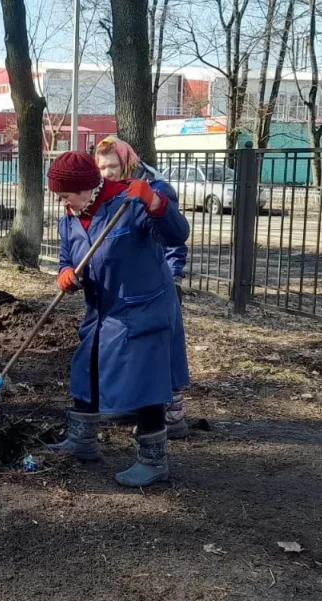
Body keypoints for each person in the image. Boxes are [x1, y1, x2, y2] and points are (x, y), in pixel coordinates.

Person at [47, 151, 190, 487]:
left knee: (145, 383)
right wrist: (66, 273)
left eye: (65, 195)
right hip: (102, 310)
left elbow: (176, 234)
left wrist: (157, 204)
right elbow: (67, 256)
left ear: (85, 188)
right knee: (87, 365)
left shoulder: (128, 206)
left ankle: (153, 462)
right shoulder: (70, 218)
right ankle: (82, 440)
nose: (62, 202)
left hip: (142, 308)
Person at [94, 136, 190, 439]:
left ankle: (173, 414)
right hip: (129, 284)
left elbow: (172, 235)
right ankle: (137, 405)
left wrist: (173, 277)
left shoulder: (156, 190)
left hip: (159, 281)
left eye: (112, 166)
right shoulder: (110, 193)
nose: (107, 172)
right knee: (132, 346)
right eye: (102, 167)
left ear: (128, 162)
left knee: (163, 348)